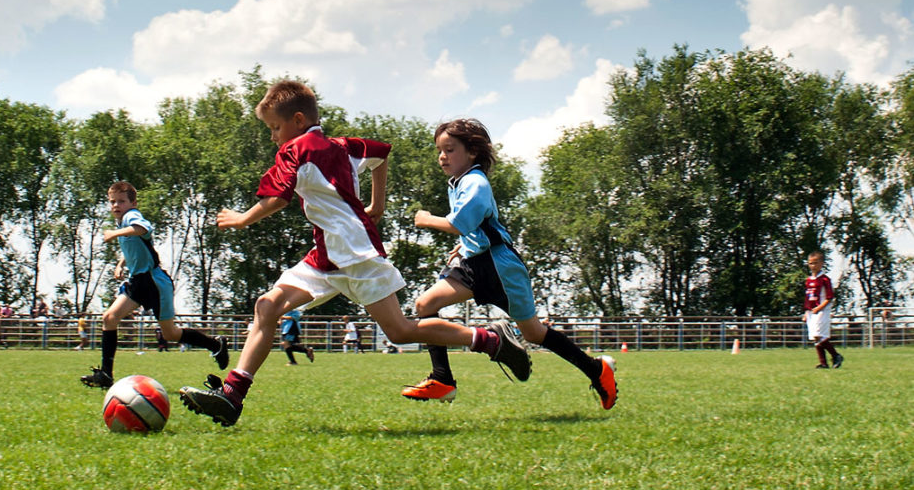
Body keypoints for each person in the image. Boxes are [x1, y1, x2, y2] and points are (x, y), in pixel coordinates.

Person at [179, 80, 531, 427]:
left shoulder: (296, 150)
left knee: (401, 332)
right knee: (267, 306)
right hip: (325, 257)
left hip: (358, 256)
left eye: (275, 127)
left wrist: (243, 219)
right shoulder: (343, 146)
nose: (273, 136)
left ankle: (488, 340)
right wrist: (377, 204)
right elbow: (381, 153)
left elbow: (278, 198)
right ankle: (233, 396)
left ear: (298, 121)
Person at [399, 118, 617, 408]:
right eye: (439, 150)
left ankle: (596, 370)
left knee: (534, 333)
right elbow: (477, 226)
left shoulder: (475, 182)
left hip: (500, 267)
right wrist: (463, 246)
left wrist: (426, 219)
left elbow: (461, 222)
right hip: (473, 263)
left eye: (449, 149)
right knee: (425, 305)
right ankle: (442, 380)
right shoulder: (459, 182)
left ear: (472, 152)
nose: (442, 156)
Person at [80, 181, 229, 389]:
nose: (116, 206)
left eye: (121, 201)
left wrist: (114, 234)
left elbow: (143, 229)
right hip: (138, 281)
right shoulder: (122, 223)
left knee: (170, 334)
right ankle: (106, 373)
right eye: (112, 202)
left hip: (154, 282)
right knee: (109, 318)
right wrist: (121, 262)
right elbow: (137, 246)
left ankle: (215, 344)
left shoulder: (131, 217)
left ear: (133, 203)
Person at [805, 250, 843, 369]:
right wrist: (806, 312)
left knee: (819, 334)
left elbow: (829, 297)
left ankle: (836, 355)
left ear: (821, 263)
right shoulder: (809, 280)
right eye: (810, 263)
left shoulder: (825, 279)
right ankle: (823, 363)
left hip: (822, 310)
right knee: (815, 337)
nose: (813, 266)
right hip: (811, 311)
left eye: (815, 263)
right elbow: (808, 297)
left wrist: (819, 308)